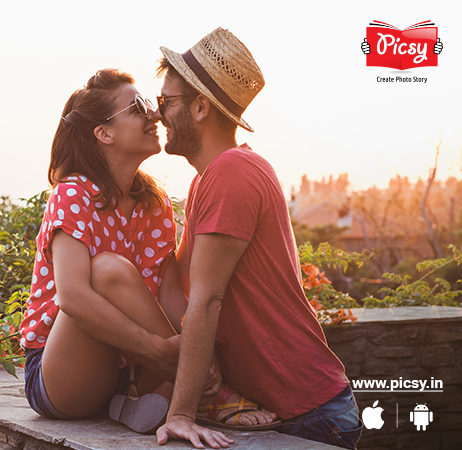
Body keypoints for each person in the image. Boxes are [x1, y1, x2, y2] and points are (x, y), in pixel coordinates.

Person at [19, 68, 276, 439]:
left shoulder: (152, 204)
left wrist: (203, 358)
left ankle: (142, 399)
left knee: (158, 313)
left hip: (124, 372)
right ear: (103, 133)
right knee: (109, 271)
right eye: (137, 107)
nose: (154, 114)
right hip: (59, 375)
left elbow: (171, 297)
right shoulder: (72, 193)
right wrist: (160, 351)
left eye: (151, 105)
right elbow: (72, 297)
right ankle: (207, 395)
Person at [153, 28, 363, 450]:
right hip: (286, 408)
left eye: (166, 102)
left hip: (306, 415)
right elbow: (174, 284)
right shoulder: (211, 180)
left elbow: (206, 300)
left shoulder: (232, 173)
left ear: (199, 108)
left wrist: (180, 414)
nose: (158, 114)